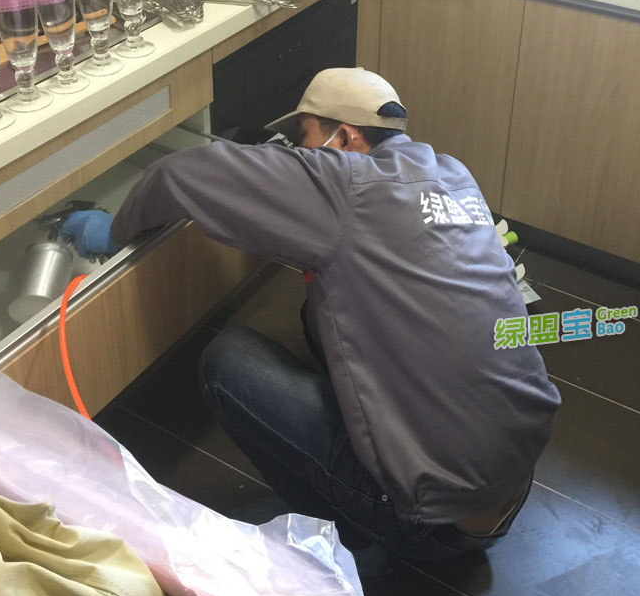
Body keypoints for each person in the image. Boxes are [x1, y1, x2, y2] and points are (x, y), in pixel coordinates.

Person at [61, 67, 561, 564]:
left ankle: (337, 529)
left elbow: (178, 175)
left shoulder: (347, 183)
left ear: (344, 137)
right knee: (319, 316)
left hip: (428, 522)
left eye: (305, 136)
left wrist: (113, 232)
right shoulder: (453, 176)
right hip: (513, 483)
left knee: (227, 360)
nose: (300, 151)